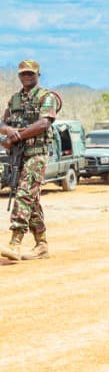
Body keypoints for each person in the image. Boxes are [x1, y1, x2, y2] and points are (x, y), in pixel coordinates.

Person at [1, 60, 58, 261]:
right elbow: (3, 122)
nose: (27, 76)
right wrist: (8, 133)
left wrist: (18, 136)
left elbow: (44, 123)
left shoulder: (46, 97)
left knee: (24, 194)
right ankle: (41, 244)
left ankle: (15, 243)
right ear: (19, 76)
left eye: (30, 73)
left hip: (37, 153)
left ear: (38, 75)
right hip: (18, 155)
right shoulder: (14, 99)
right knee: (31, 199)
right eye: (23, 73)